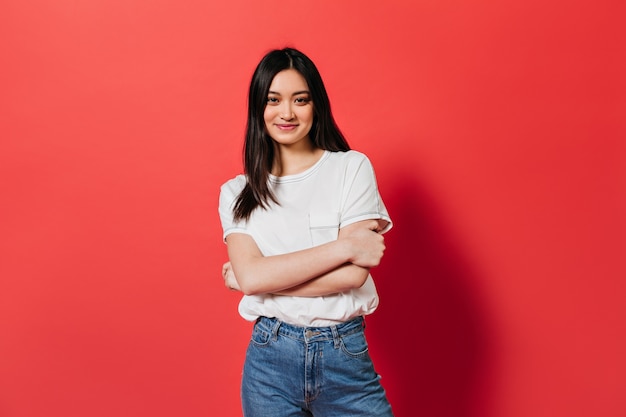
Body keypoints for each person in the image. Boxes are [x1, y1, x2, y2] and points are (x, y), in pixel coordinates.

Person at [218, 47, 394, 417]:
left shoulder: (350, 168)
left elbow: (352, 274)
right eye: (273, 100)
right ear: (258, 109)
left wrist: (259, 279)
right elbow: (253, 275)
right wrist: (345, 246)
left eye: (300, 100)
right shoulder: (237, 193)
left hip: (345, 355)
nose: (287, 113)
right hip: (270, 360)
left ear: (316, 106)